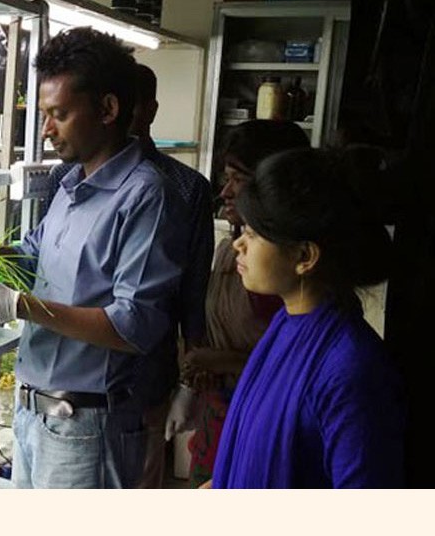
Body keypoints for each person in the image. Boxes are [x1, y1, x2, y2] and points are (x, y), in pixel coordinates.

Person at [0, 27, 188, 488]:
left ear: (107, 109)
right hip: (33, 414)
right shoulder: (70, 184)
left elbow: (134, 326)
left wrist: (18, 306)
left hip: (85, 428)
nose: (47, 130)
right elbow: (34, 258)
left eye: (60, 115)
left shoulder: (146, 196)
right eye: (44, 115)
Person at [45, 63, 214, 488]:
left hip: (143, 374)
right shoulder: (65, 177)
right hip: (65, 383)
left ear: (148, 110)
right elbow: (46, 262)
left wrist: (189, 383)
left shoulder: (182, 187)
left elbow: (193, 292)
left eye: (134, 108)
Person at [211, 147, 405, 488]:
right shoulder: (287, 323)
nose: (239, 244)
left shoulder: (351, 368)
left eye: (253, 234)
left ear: (304, 256)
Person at [170, 120, 310, 487]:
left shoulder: (286, 286)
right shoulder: (234, 253)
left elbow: (292, 371)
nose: (226, 191)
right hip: (223, 415)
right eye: (225, 177)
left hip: (258, 423)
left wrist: (220, 360)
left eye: (239, 179)